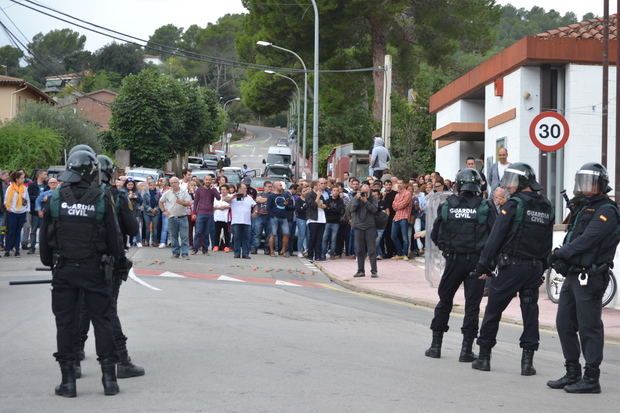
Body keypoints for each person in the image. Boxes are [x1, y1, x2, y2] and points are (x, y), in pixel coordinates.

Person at [39, 150, 123, 397]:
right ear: (91, 172)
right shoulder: (100, 198)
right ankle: (109, 380)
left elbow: (45, 240)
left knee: (65, 324)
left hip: (64, 269)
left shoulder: (55, 198)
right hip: (95, 270)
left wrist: (50, 262)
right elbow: (115, 240)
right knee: (102, 321)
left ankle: (68, 382)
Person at [471, 162, 553, 375]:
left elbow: (495, 237)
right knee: (530, 312)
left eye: (512, 181)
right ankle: (527, 363)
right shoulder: (545, 205)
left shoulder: (513, 205)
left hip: (511, 266)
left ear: (523, 182)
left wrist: (483, 264)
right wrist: (542, 266)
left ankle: (484, 357)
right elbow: (547, 241)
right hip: (534, 267)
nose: (508, 186)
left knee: (493, 310)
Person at [547, 163, 620, 394]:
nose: (586, 185)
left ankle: (591, 378)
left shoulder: (607, 210)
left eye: (591, 181)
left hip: (591, 275)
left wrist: (561, 253)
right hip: (573, 273)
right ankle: (572, 372)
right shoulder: (583, 207)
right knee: (564, 323)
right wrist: (563, 259)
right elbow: (573, 236)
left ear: (602, 184)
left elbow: (589, 239)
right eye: (583, 181)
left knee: (589, 327)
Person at [76, 154, 144, 381]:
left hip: (80, 261)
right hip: (108, 261)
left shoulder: (75, 195)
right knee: (108, 310)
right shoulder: (115, 195)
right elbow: (132, 229)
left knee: (84, 308)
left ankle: (74, 358)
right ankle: (121, 360)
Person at [425, 168, 493, 361]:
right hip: (476, 263)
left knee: (444, 302)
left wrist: (447, 249)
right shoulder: (485, 207)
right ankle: (466, 351)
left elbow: (435, 235)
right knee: (472, 306)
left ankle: (435, 346)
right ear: (478, 186)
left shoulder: (448, 206)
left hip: (453, 260)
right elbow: (493, 238)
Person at [159, 177, 192, 259]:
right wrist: (163, 210)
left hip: (183, 217)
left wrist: (182, 203)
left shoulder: (184, 193)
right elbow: (160, 201)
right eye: (171, 183)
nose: (173, 184)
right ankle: (175, 252)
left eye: (175, 182)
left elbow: (189, 203)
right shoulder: (167, 193)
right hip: (172, 218)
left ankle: (185, 253)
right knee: (173, 236)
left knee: (184, 236)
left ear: (178, 183)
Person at [350, 183, 379, 277]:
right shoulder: (356, 197)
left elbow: (374, 210)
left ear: (369, 190)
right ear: (360, 190)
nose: (365, 193)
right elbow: (352, 209)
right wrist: (357, 199)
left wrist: (366, 201)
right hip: (358, 226)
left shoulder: (373, 198)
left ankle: (374, 271)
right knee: (359, 250)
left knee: (372, 250)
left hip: (370, 226)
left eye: (367, 191)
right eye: (363, 191)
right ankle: (360, 270)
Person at [224, 183, 256, 259]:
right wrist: (233, 197)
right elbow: (224, 199)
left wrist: (255, 212)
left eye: (245, 188)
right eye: (243, 188)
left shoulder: (249, 198)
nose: (245, 190)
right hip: (236, 221)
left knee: (246, 238)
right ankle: (237, 253)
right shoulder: (233, 196)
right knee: (237, 237)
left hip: (247, 221)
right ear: (239, 189)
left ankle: (245, 254)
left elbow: (255, 205)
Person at [3, 170, 30, 257]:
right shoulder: (10, 188)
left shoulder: (24, 188)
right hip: (12, 213)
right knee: (11, 232)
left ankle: (17, 250)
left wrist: (27, 209)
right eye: (22, 178)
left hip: (21, 212)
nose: (23, 179)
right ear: (17, 179)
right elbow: (5, 200)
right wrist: (8, 208)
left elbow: (27, 200)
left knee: (18, 232)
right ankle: (8, 249)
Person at [192, 175, 221, 254]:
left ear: (211, 181)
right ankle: (195, 249)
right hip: (200, 213)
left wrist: (214, 189)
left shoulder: (213, 190)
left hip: (210, 214)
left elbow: (218, 198)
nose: (208, 181)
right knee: (198, 231)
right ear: (204, 180)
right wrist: (194, 213)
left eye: (209, 180)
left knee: (206, 232)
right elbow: (195, 202)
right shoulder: (199, 190)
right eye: (206, 180)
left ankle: (205, 249)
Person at [267, 181, 294, 257]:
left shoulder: (284, 195)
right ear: (275, 186)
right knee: (273, 234)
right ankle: (272, 251)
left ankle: (283, 250)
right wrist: (272, 216)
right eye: (280, 185)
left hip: (284, 217)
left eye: (281, 185)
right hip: (274, 218)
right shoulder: (271, 196)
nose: (281, 186)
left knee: (286, 234)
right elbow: (268, 208)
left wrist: (287, 205)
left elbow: (288, 207)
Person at [26, 169, 48, 254]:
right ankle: (32, 247)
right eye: (45, 174)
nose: (46, 176)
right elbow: (28, 197)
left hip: (44, 210)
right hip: (35, 211)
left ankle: (43, 248)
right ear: (39, 175)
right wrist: (39, 198)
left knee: (43, 230)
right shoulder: (32, 185)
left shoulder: (47, 186)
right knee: (33, 230)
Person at [305, 181, 326, 262]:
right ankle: (310, 256)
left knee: (319, 239)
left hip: (322, 219)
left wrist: (323, 205)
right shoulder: (309, 195)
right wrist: (317, 197)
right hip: (313, 219)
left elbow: (324, 205)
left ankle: (318, 256)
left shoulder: (321, 195)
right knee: (312, 238)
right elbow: (312, 206)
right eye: (319, 185)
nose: (320, 186)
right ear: (314, 186)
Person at [390, 182, 412, 260]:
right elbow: (393, 207)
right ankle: (399, 253)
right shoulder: (396, 195)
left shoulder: (408, 193)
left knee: (405, 237)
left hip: (404, 217)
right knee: (393, 236)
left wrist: (397, 204)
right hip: (396, 217)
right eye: (397, 184)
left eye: (400, 183)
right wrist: (397, 205)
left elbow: (404, 204)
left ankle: (405, 254)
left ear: (404, 184)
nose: (399, 185)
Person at [322, 186, 345, 259]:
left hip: (336, 223)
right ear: (331, 191)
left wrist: (330, 209)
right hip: (327, 221)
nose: (335, 192)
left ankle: (332, 254)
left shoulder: (340, 201)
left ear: (339, 192)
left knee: (333, 239)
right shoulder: (327, 200)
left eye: (337, 190)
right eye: (334, 190)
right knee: (325, 238)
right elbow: (325, 210)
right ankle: (323, 253)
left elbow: (340, 211)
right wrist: (333, 209)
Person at [252, 181, 272, 254]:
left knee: (268, 234)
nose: (270, 188)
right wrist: (268, 199)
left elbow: (261, 200)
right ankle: (255, 248)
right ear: (264, 187)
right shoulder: (259, 193)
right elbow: (258, 200)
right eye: (269, 186)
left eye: (271, 186)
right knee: (257, 233)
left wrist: (263, 199)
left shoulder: (273, 194)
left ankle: (267, 249)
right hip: (259, 216)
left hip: (269, 217)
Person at [213, 184, 232, 252]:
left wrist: (226, 207)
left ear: (227, 190)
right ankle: (216, 246)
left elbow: (233, 206)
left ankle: (227, 246)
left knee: (227, 233)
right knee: (217, 233)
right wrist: (219, 207)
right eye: (221, 190)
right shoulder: (217, 197)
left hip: (226, 218)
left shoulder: (231, 197)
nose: (223, 191)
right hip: (217, 217)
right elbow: (213, 206)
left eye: (224, 189)